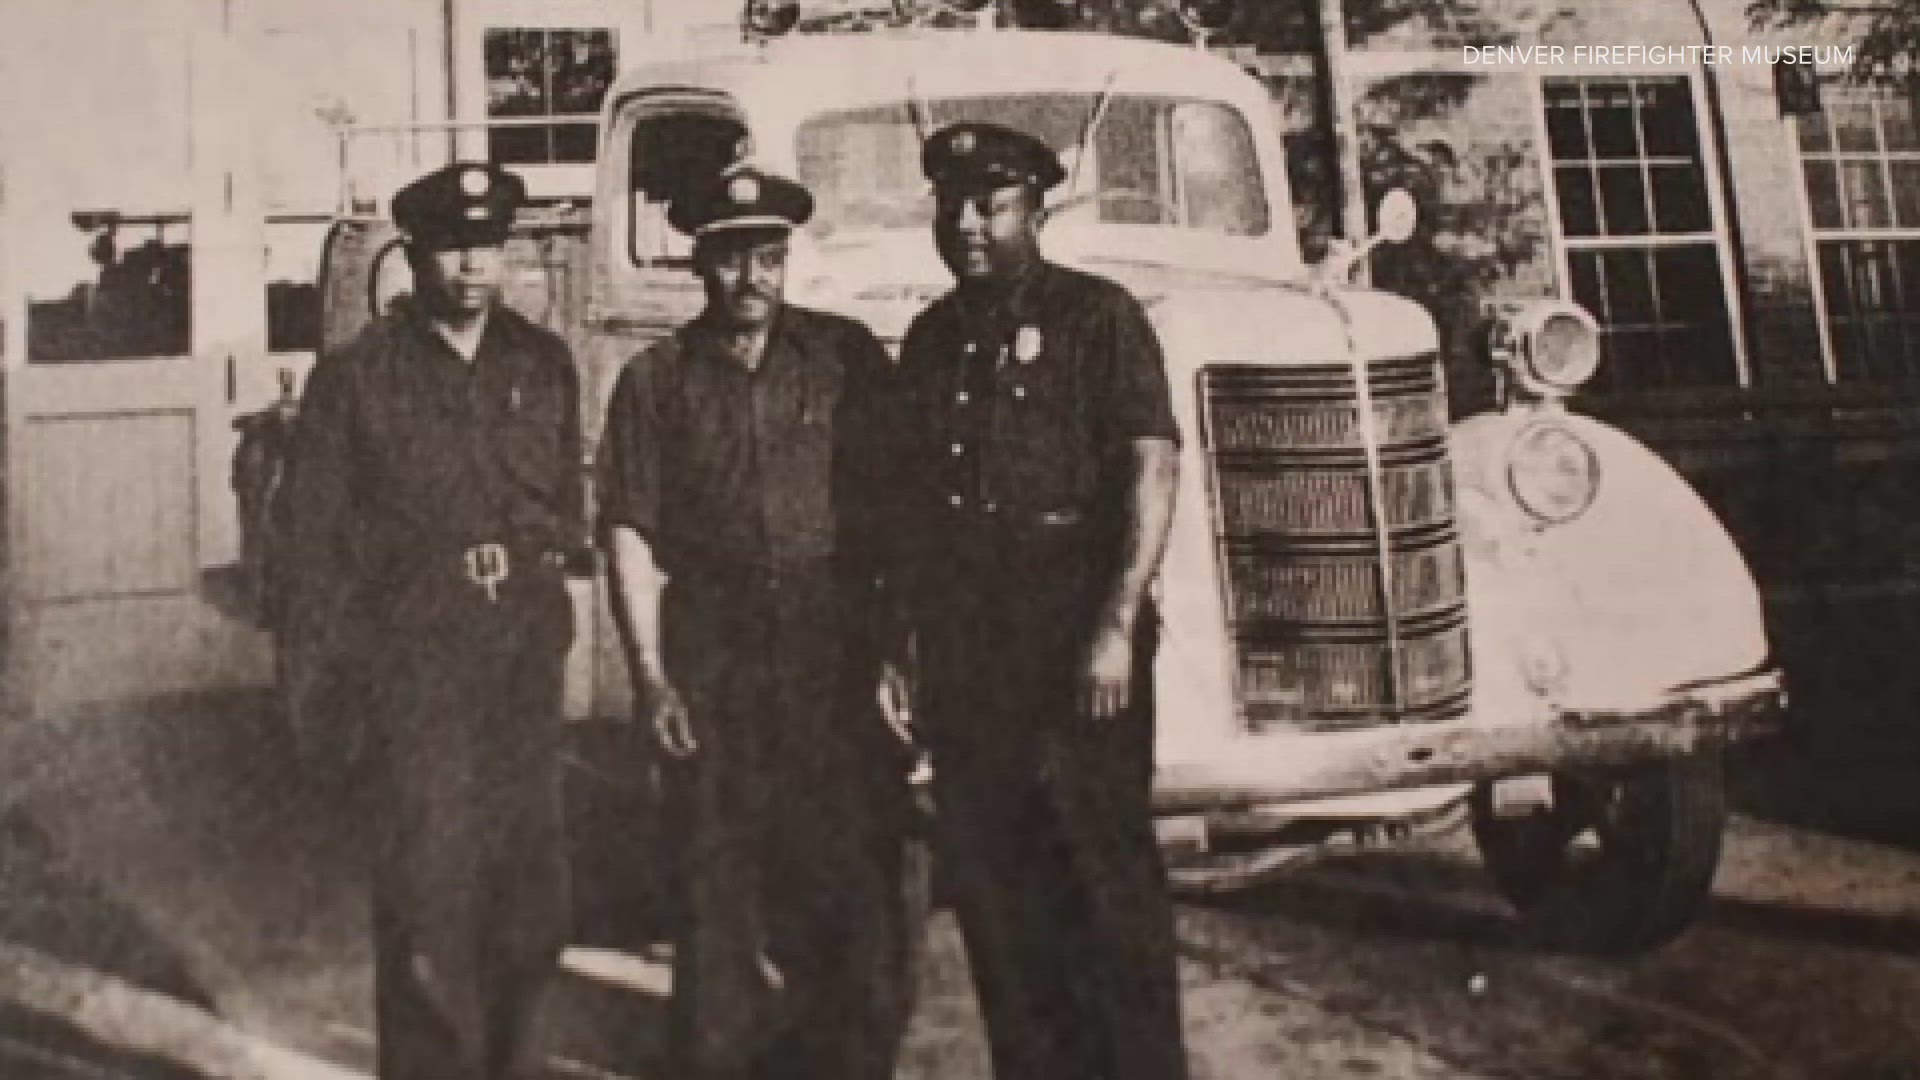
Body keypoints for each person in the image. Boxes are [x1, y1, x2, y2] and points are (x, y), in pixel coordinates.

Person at [885, 121, 1189, 1080]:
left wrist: (1113, 626)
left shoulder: (1101, 318)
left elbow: (1150, 465)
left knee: (1102, 881)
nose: (969, 224)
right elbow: (908, 506)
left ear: (1038, 210)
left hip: (1072, 627)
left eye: (993, 204)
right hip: (970, 640)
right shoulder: (932, 339)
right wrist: (904, 645)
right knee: (995, 886)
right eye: (954, 205)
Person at [596, 165, 912, 1080]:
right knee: (714, 886)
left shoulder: (847, 358)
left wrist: (895, 650)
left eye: (768, 258)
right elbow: (629, 531)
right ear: (700, 260)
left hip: (833, 649)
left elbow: (896, 512)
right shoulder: (655, 381)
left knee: (848, 882)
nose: (752, 279)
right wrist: (653, 677)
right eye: (733, 259)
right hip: (715, 652)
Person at [280, 161, 583, 1080]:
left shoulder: (543, 363)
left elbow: (562, 506)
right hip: (414, 664)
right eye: (452, 247)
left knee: (530, 899)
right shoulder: (356, 379)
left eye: (488, 245)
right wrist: (321, 704)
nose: (472, 266)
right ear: (413, 254)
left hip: (522, 659)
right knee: (426, 900)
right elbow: (310, 554)